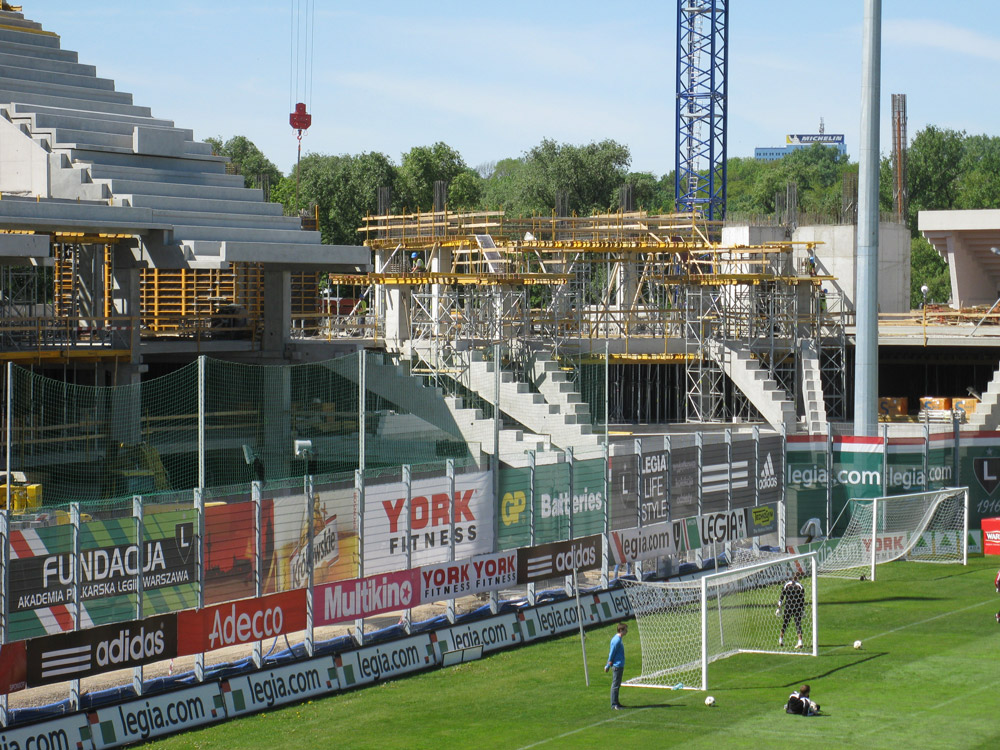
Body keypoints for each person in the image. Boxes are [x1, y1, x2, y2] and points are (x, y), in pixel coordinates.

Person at [776, 572, 805, 649]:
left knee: (785, 623)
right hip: (797, 607)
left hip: (788, 607)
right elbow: (802, 600)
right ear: (798, 578)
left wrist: (778, 608)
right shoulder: (800, 586)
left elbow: (781, 597)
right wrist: (803, 610)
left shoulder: (787, 585)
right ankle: (800, 641)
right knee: (798, 624)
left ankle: (781, 639)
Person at [604, 623, 627, 709]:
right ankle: (614, 704)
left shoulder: (619, 639)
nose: (627, 631)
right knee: (615, 685)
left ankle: (617, 702)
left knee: (617, 685)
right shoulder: (616, 640)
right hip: (617, 666)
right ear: (621, 630)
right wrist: (607, 665)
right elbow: (612, 653)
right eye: (625, 630)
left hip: (620, 664)